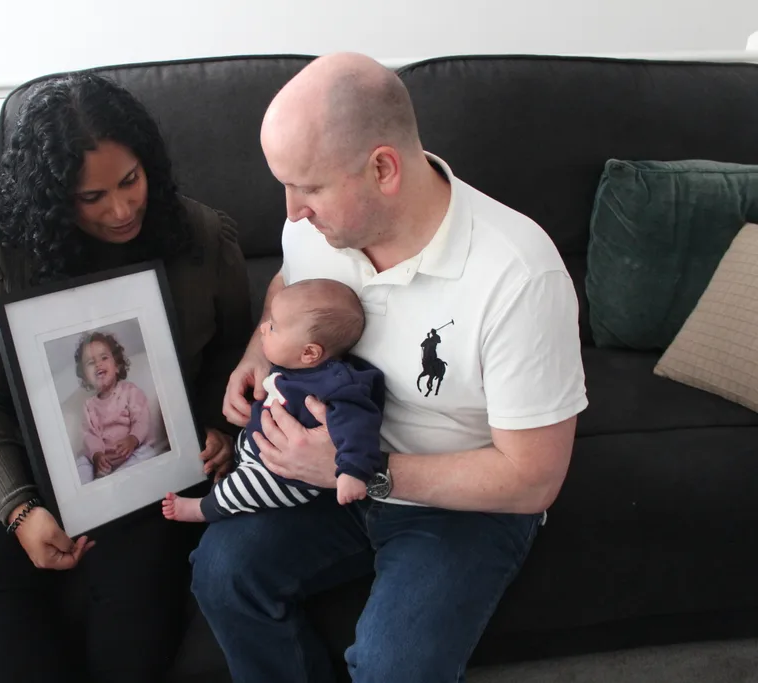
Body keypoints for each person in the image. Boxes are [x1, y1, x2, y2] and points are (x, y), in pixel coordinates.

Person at [190, 52, 588, 683]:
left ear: (382, 168)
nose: (291, 211)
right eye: (284, 186)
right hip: (328, 479)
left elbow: (532, 480)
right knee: (220, 571)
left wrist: (358, 469)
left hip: (458, 502)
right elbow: (288, 292)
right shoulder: (315, 231)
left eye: (309, 187)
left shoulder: (519, 274)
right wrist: (257, 353)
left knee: (394, 667)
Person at [0, 73, 251, 683]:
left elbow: (235, 350)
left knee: (138, 580)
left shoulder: (202, 236)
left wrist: (217, 426)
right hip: (13, 435)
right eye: (92, 197)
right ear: (53, 197)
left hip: (145, 445)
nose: (122, 207)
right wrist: (19, 511)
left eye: (130, 180)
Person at [162, 278, 385, 523]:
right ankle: (235, 466)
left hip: (288, 478)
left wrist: (352, 472)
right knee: (237, 453)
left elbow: (358, 429)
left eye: (273, 327)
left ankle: (202, 510)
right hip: (260, 445)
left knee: (238, 489)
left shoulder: (338, 385)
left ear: (309, 352)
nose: (262, 329)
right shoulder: (292, 363)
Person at [74, 331, 152, 481]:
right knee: (81, 462)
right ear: (85, 378)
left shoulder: (130, 391)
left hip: (131, 453)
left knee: (147, 452)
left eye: (104, 358)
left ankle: (118, 477)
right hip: (105, 462)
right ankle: (93, 484)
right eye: (91, 362)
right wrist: (97, 456)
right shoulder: (89, 406)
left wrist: (133, 439)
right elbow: (89, 435)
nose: (98, 364)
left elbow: (142, 418)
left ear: (117, 365)